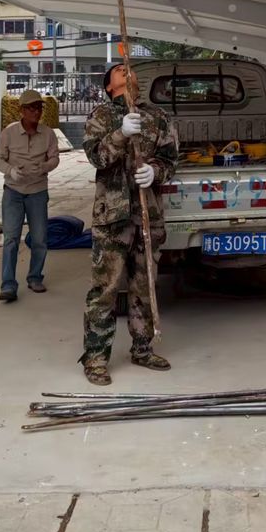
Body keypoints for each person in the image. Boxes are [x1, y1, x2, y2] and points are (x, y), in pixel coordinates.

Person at [79, 63, 178, 385]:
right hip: (112, 216)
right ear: (109, 86)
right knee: (105, 289)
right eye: (119, 69)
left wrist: (155, 172)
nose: (127, 70)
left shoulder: (157, 117)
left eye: (129, 68)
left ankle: (142, 348)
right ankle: (95, 358)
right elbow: (97, 158)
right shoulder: (101, 116)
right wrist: (120, 133)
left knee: (144, 285)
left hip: (148, 215)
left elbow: (170, 160)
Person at [0, 89, 59, 302]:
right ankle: (8, 285)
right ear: (21, 110)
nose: (36, 112)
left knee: (39, 238)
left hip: (38, 191)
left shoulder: (48, 134)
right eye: (31, 108)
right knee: (11, 239)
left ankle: (35, 277)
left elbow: (55, 158)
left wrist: (45, 167)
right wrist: (10, 171)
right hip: (13, 191)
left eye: (39, 108)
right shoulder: (9, 133)